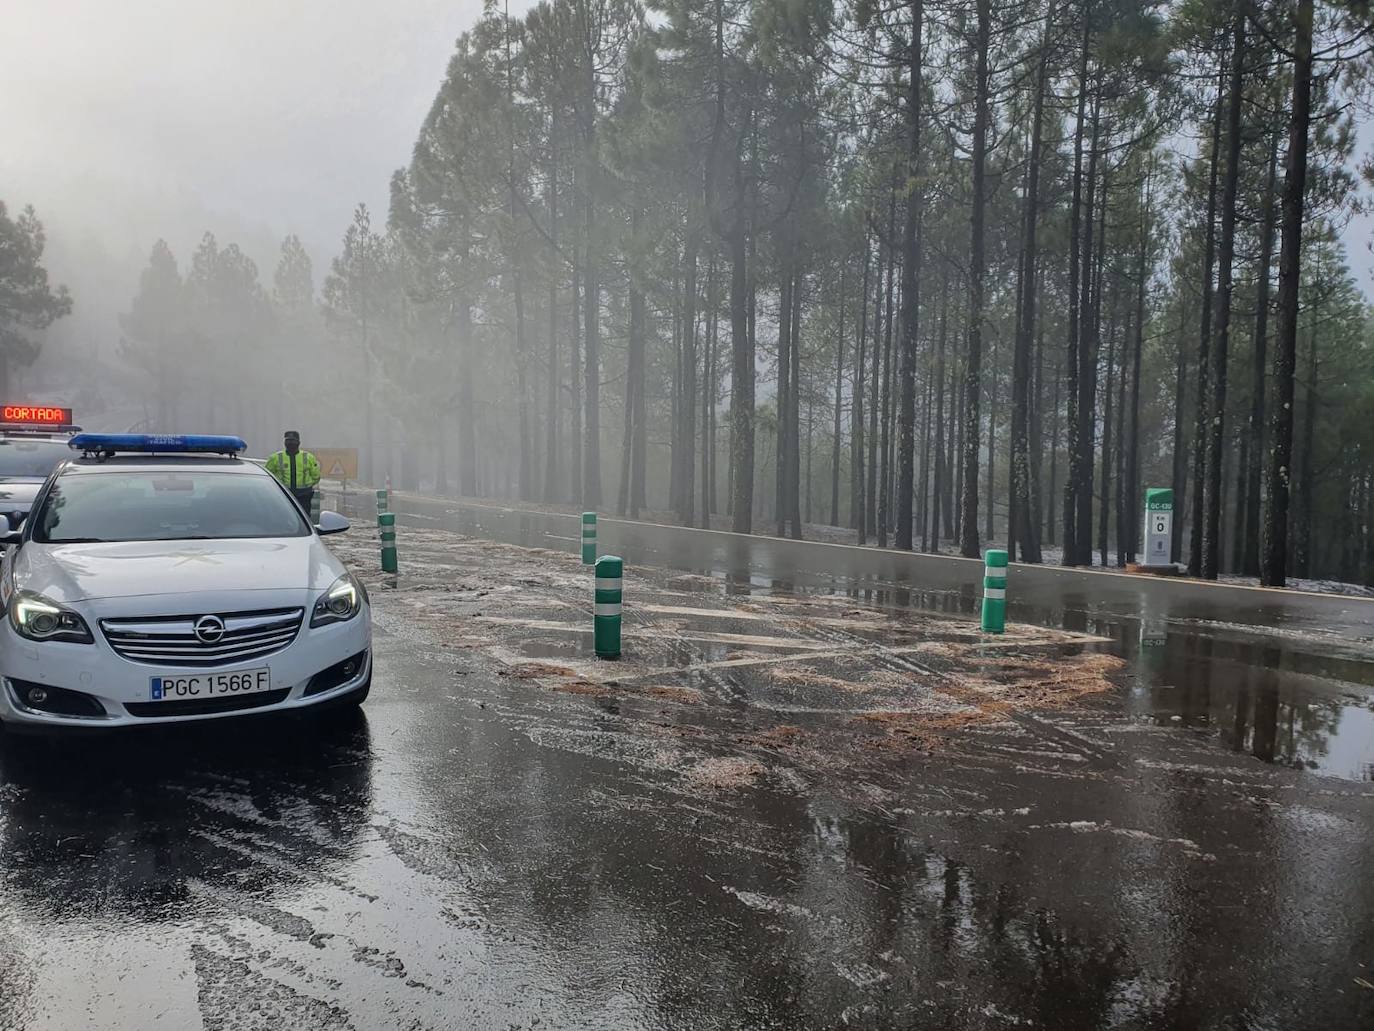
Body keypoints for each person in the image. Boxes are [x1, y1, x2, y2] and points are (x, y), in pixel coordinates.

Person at [265, 430, 321, 514]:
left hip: (304, 496)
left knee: (303, 518)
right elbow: (267, 475)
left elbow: (316, 476)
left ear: (299, 442)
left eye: (293, 441)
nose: (291, 443)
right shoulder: (275, 458)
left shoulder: (308, 457)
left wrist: (307, 486)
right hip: (283, 494)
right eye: (288, 441)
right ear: (284, 442)